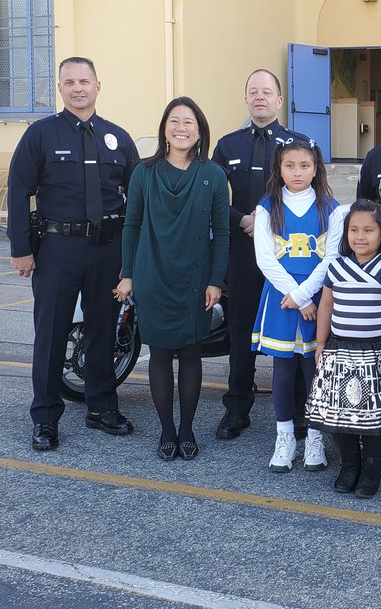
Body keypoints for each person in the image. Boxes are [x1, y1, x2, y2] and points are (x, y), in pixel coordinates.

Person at [8, 57, 140, 451]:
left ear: (99, 86)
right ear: (61, 88)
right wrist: (21, 249)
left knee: (103, 330)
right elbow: (18, 191)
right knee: (50, 335)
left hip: (107, 249)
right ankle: (45, 418)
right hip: (57, 249)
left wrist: (130, 257)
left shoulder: (118, 137)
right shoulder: (40, 135)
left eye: (85, 81)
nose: (77, 88)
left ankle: (101, 407)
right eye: (70, 82)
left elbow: (136, 197)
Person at [116, 97, 230, 461]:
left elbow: (223, 232)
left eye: (189, 123)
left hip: (196, 277)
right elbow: (131, 224)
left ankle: (187, 429)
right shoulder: (143, 173)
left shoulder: (213, 175)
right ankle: (167, 429)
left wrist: (216, 280)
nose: (181, 128)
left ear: (200, 131)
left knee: (191, 352)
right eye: (175, 121)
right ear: (165, 127)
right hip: (153, 274)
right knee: (161, 353)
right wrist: (128, 273)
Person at [211, 70, 309, 441]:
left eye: (267, 92)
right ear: (246, 99)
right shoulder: (227, 145)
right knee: (240, 332)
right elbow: (217, 198)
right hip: (243, 251)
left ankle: (299, 411)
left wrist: (269, 223)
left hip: (290, 254)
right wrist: (246, 221)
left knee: (296, 332)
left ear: (280, 100)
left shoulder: (298, 144)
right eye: (253, 92)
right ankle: (237, 408)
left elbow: (310, 194)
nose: (260, 97)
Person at [308, 200, 381, 498]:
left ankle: (371, 471)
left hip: (376, 353)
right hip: (339, 351)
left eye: (368, 230)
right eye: (354, 230)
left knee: (373, 418)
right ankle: (349, 466)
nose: (360, 236)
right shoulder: (336, 267)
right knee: (338, 417)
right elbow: (326, 306)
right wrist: (321, 344)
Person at [252, 139, 348, 473]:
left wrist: (307, 296)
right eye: (289, 166)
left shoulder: (331, 208)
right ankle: (285, 437)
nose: (297, 172)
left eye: (304, 166)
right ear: (278, 169)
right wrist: (297, 296)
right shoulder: (267, 206)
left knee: (314, 368)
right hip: (282, 296)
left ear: (315, 168)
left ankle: (315, 438)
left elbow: (332, 257)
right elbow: (265, 258)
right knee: (282, 369)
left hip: (317, 295)